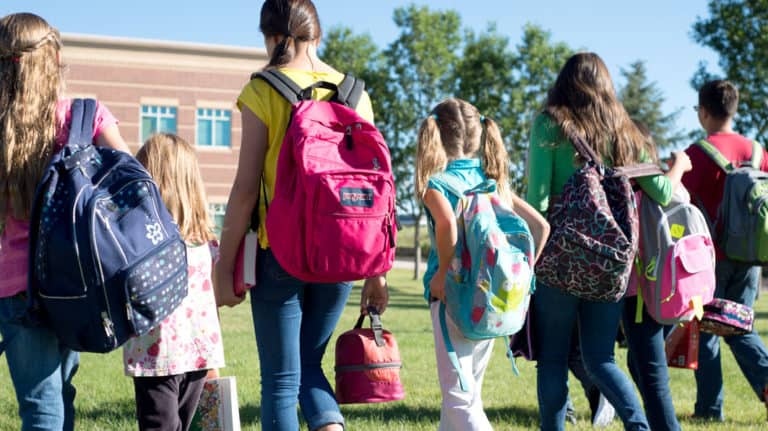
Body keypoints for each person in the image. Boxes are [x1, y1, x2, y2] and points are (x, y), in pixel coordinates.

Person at [213, 1, 388, 430]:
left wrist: (223, 265)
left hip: (282, 254)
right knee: (311, 365)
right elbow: (374, 185)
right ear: (318, 35)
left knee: (280, 379)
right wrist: (376, 272)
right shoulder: (354, 92)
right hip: (344, 252)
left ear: (269, 37)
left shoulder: (263, 90)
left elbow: (244, 190)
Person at [526, 52, 690, 431]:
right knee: (602, 358)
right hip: (611, 262)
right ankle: (639, 426)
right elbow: (663, 192)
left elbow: (537, 202)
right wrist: (679, 166)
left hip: (560, 259)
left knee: (552, 360)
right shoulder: (626, 130)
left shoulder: (549, 124)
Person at [0, 13, 130, 431]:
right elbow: (135, 186)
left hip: (15, 287)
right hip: (75, 283)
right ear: (54, 59)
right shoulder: (84, 116)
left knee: (43, 407)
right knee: (59, 398)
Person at [415, 98, 549, 430]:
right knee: (466, 395)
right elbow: (541, 227)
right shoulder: (493, 182)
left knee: (459, 399)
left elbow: (446, 225)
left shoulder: (438, 184)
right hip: (490, 299)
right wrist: (523, 276)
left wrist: (443, 273)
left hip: (452, 299)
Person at [123, 133, 226, 431]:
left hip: (156, 356)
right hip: (196, 353)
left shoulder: (140, 243)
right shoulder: (207, 244)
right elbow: (212, 305)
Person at [681, 79, 768, 421]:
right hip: (751, 256)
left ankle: (709, 410)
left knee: (707, 331)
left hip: (711, 258)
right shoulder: (759, 153)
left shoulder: (697, 155)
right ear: (734, 109)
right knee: (741, 326)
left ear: (703, 112)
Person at [621, 119, 690, 431]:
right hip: (669, 288)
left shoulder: (636, 186)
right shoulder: (665, 182)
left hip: (641, 294)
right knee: (639, 364)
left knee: (651, 373)